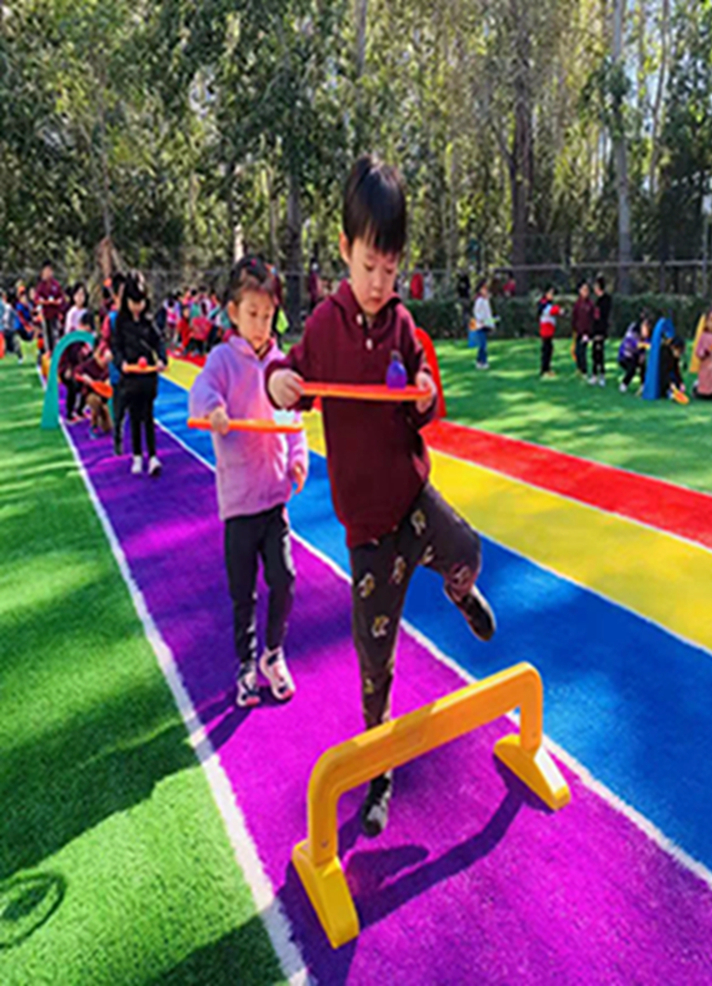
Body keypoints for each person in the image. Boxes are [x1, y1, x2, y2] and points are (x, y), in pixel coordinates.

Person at [266, 154, 495, 837]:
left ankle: (458, 591)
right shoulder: (323, 327)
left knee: (469, 550)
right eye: (369, 266)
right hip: (366, 530)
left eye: (390, 271)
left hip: (413, 500)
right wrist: (279, 381)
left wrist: (423, 395)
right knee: (376, 662)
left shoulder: (401, 324)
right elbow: (290, 379)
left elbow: (426, 398)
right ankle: (380, 773)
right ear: (345, 249)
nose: (377, 283)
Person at [189, 256, 308, 709]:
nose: (261, 324)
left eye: (267, 314)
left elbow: (292, 421)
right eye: (252, 314)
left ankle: (272, 654)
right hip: (239, 503)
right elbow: (202, 391)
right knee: (243, 594)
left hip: (274, 497)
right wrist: (214, 409)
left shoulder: (279, 365)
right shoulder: (222, 359)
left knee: (285, 579)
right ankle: (245, 664)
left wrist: (297, 459)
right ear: (233, 313)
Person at [112, 271, 166, 476]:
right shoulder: (121, 322)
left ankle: (152, 456)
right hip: (131, 377)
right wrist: (122, 363)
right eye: (134, 302)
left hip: (147, 377)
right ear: (127, 301)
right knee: (134, 416)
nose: (138, 307)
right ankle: (137, 455)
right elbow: (116, 347)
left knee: (148, 416)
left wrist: (161, 359)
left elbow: (158, 341)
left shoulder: (148, 321)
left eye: (141, 302)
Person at [102, 272, 127, 455]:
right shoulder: (111, 318)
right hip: (118, 371)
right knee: (119, 408)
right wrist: (106, 351)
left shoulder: (132, 317)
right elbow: (104, 340)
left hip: (133, 370)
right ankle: (117, 437)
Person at [33, 261, 66, 354]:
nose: (48, 273)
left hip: (54, 314)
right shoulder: (41, 285)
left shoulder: (55, 284)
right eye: (46, 270)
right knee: (46, 335)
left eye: (49, 270)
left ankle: (56, 352)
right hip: (45, 314)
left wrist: (57, 302)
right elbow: (37, 299)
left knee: (55, 334)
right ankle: (48, 353)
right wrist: (46, 302)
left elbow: (61, 297)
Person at [618, 313, 652, 392]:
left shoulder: (646, 337)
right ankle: (623, 385)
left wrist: (643, 354)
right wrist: (645, 345)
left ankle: (643, 385)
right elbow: (634, 343)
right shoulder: (633, 331)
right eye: (645, 328)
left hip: (635, 356)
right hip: (625, 356)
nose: (646, 331)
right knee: (632, 369)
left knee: (643, 366)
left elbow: (647, 345)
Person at [590, 276, 612, 386]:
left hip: (601, 330)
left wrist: (601, 332)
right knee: (594, 353)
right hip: (595, 330)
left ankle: (602, 375)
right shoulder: (596, 300)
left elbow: (603, 317)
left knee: (600, 352)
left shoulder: (606, 300)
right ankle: (594, 375)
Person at [537, 285, 561, 377]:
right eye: (550, 293)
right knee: (546, 350)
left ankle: (547, 368)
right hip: (546, 330)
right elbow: (551, 311)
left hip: (549, 330)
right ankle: (545, 369)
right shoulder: (544, 304)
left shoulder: (547, 303)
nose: (552, 295)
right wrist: (559, 310)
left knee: (548, 349)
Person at [571, 281, 594, 378]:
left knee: (582, 351)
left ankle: (584, 370)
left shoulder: (590, 304)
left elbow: (592, 318)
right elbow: (574, 317)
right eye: (583, 290)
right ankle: (579, 368)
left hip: (586, 332)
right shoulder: (577, 303)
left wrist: (590, 332)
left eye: (586, 290)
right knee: (577, 351)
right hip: (578, 331)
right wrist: (574, 328)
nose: (585, 292)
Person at [472, 279, 496, 370]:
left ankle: (479, 361)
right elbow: (476, 312)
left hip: (485, 324)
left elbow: (488, 314)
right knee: (482, 345)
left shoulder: (486, 300)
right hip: (480, 325)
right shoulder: (479, 300)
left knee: (483, 344)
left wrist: (491, 324)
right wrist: (481, 320)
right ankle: (483, 362)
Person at [659, 335, 686, 399]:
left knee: (674, 375)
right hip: (662, 376)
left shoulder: (675, 357)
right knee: (670, 375)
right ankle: (667, 391)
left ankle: (673, 390)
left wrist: (681, 382)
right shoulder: (665, 354)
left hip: (670, 375)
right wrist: (670, 383)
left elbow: (676, 370)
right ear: (673, 348)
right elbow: (664, 372)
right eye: (679, 352)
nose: (679, 354)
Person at [1, 290, 23, 363]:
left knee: (13, 344)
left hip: (10, 328)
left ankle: (20, 357)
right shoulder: (6, 307)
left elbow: (8, 317)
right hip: (6, 328)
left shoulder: (8, 307)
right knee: (8, 344)